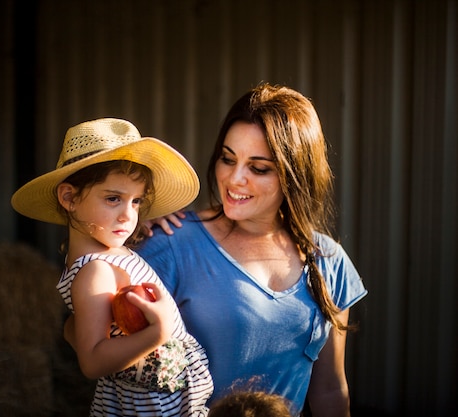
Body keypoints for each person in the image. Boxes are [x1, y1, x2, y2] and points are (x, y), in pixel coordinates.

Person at [136, 83, 368, 417]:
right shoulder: (170, 243)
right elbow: (97, 345)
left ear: (295, 174)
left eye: (258, 168)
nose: (234, 178)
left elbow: (330, 390)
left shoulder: (328, 261)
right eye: (227, 159)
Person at [11, 118, 213, 416]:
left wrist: (141, 223)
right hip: (150, 407)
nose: (127, 215)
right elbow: (92, 361)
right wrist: (157, 333)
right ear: (69, 198)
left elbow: (84, 327)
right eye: (113, 199)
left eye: (136, 202)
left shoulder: (105, 251)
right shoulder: (96, 271)